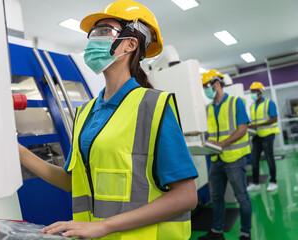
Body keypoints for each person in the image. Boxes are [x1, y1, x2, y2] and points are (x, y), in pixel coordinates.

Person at [19, 0, 198, 239]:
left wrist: (103, 226)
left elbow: (186, 196)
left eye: (104, 32)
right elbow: (73, 181)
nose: (94, 40)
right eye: (93, 33)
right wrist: (19, 152)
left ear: (131, 44)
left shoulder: (153, 105)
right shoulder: (85, 113)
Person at [198, 70, 252, 240]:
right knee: (216, 197)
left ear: (217, 84)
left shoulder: (236, 102)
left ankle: (245, 233)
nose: (206, 90)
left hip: (234, 158)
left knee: (241, 197)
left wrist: (221, 144)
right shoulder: (208, 108)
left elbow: (242, 129)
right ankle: (217, 231)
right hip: (216, 159)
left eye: (207, 86)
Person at [247, 82, 279, 192]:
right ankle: (256, 182)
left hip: (268, 135)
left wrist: (257, 125)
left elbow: (274, 119)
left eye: (254, 91)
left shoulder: (269, 103)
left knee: (269, 158)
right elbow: (255, 120)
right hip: (256, 136)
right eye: (251, 92)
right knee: (254, 159)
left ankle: (273, 181)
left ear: (260, 92)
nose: (252, 94)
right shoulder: (252, 105)